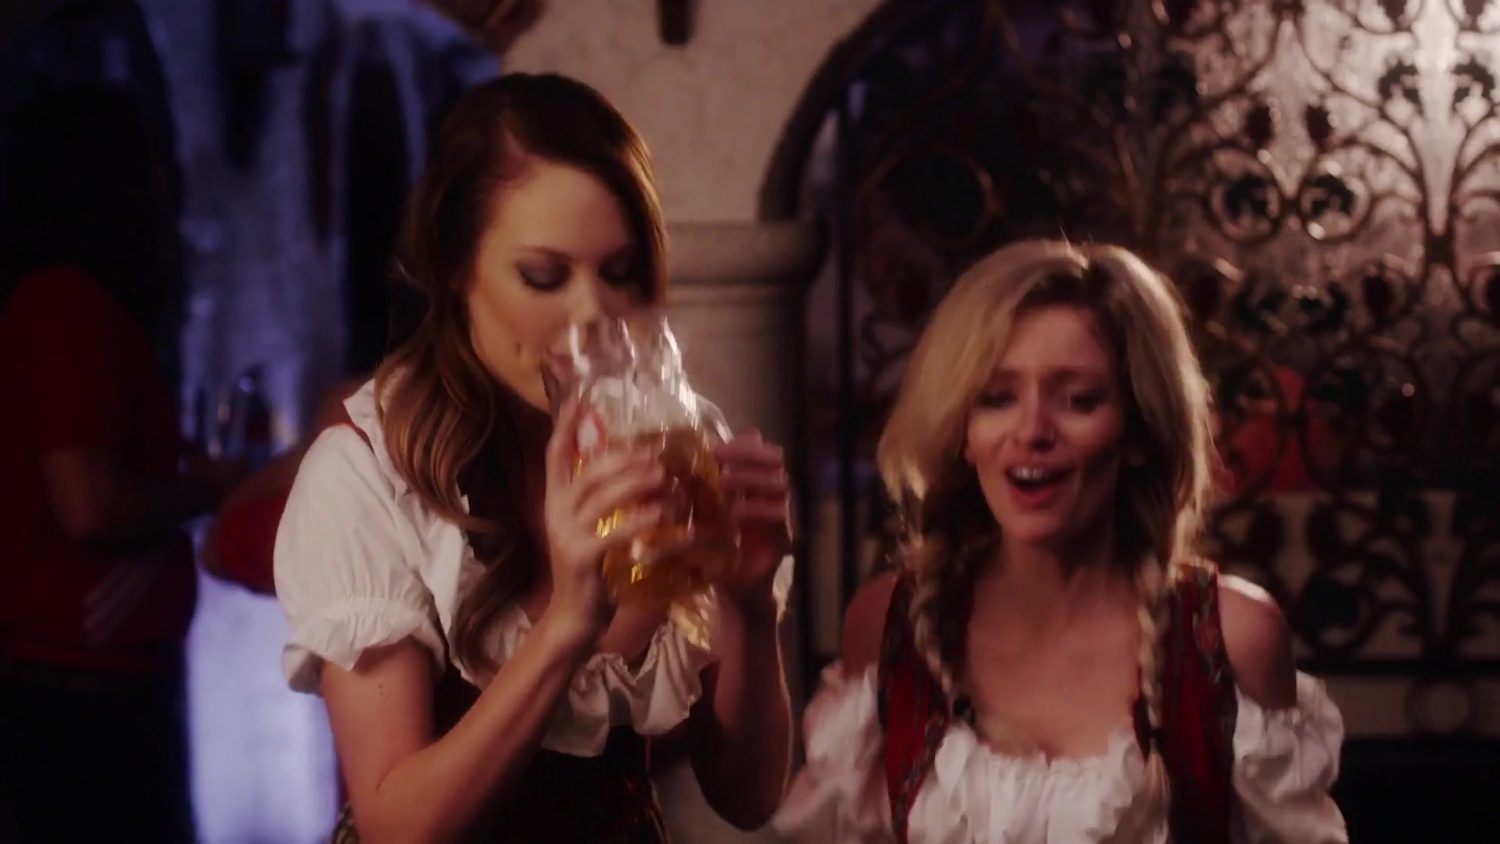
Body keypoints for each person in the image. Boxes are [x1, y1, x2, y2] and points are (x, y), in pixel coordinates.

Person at [273, 72, 794, 842]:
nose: (592, 311)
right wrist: (569, 623)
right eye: (544, 277)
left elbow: (748, 799)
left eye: (619, 272)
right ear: (454, 267)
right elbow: (398, 831)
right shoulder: (367, 474)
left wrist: (748, 607)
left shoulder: (672, 443)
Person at [773, 240, 1347, 842]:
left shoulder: (1232, 639)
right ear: (963, 431)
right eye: (997, 398)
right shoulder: (890, 628)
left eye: (1079, 400)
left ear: (1138, 430)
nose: (1032, 431)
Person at [0, 85, 242, 841]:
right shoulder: (65, 307)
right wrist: (204, 488)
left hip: (99, 678)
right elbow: (89, 506)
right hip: (78, 685)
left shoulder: (70, 305)